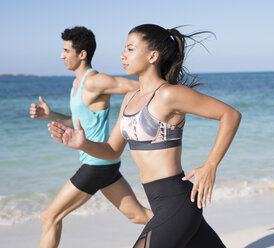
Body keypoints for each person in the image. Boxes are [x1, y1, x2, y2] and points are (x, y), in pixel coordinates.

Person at [48, 24, 241, 248]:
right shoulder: (130, 99)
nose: (122, 55)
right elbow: (111, 151)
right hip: (158, 202)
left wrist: (210, 165)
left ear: (152, 56)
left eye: (130, 49)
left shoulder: (169, 94)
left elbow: (230, 114)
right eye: (124, 49)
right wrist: (83, 144)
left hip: (177, 200)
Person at [30, 26, 152, 248]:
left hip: (96, 164)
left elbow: (141, 87)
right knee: (138, 216)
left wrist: (133, 120)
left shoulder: (94, 81)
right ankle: (184, 226)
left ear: (82, 54)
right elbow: (79, 124)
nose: (61, 55)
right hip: (103, 163)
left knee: (49, 216)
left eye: (67, 51)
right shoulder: (77, 84)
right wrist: (50, 115)